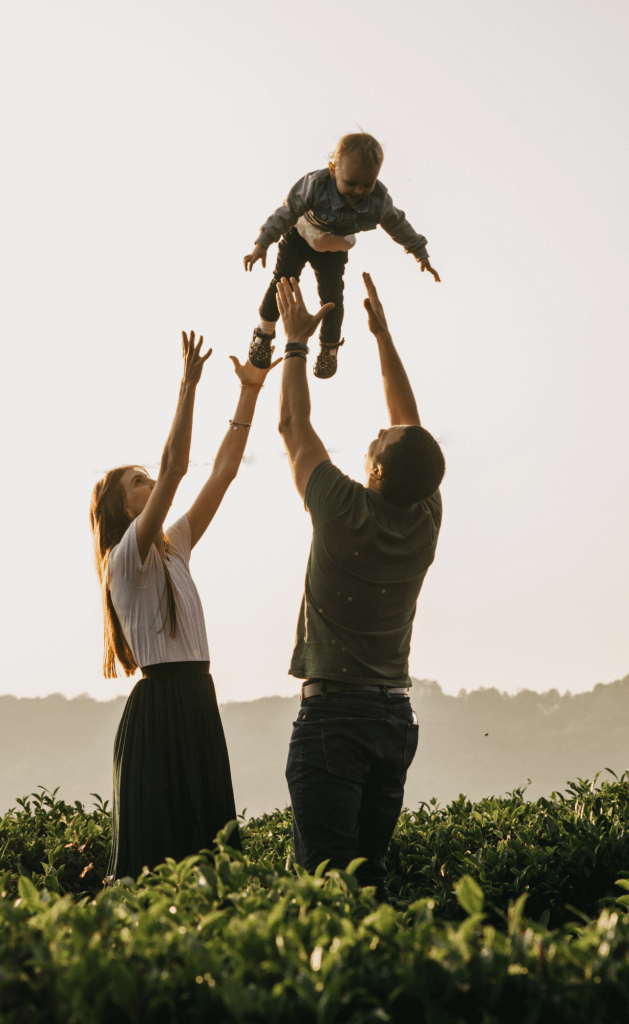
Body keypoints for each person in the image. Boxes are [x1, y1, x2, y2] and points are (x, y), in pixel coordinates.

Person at [276, 273, 445, 901]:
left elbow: (294, 427)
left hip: (336, 718)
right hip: (392, 717)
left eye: (377, 442)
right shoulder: (424, 517)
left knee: (324, 889)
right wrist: (382, 337)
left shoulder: (342, 507)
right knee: (369, 885)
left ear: (374, 471)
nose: (376, 432)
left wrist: (295, 345)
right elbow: (413, 430)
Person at [89, 332, 279, 881]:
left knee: (211, 858)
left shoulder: (174, 545)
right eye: (138, 482)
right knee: (157, 864)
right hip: (161, 710)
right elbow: (177, 468)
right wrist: (188, 388)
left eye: (146, 478)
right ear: (120, 507)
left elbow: (222, 472)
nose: (151, 483)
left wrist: (250, 392)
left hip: (197, 699)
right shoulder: (126, 557)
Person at [243, 132, 440, 380]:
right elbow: (287, 211)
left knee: (332, 297)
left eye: (367, 184)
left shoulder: (378, 201)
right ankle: (264, 332)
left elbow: (397, 224)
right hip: (301, 235)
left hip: (333, 248)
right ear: (333, 170)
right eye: (351, 183)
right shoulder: (315, 184)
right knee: (283, 281)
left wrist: (419, 252)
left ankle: (329, 347)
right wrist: (263, 242)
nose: (358, 191)